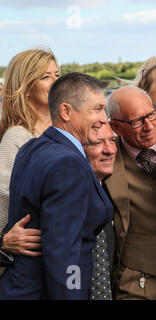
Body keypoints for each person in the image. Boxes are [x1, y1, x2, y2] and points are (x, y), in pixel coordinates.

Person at [0, 72, 113, 299]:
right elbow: (65, 252)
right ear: (66, 112)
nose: (104, 118)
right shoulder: (68, 162)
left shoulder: (33, 147)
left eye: (104, 109)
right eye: (97, 109)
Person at [105, 86, 156, 300]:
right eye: (137, 121)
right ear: (115, 126)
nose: (149, 126)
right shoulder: (104, 157)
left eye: (152, 115)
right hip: (135, 279)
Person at [0, 49, 60, 278]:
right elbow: (4, 203)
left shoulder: (64, 131)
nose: (56, 82)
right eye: (46, 77)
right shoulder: (18, 136)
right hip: (32, 264)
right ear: (25, 89)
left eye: (57, 74)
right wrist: (5, 241)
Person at [83, 123, 117, 300]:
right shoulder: (63, 195)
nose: (110, 150)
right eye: (98, 143)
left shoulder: (111, 193)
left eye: (112, 140)